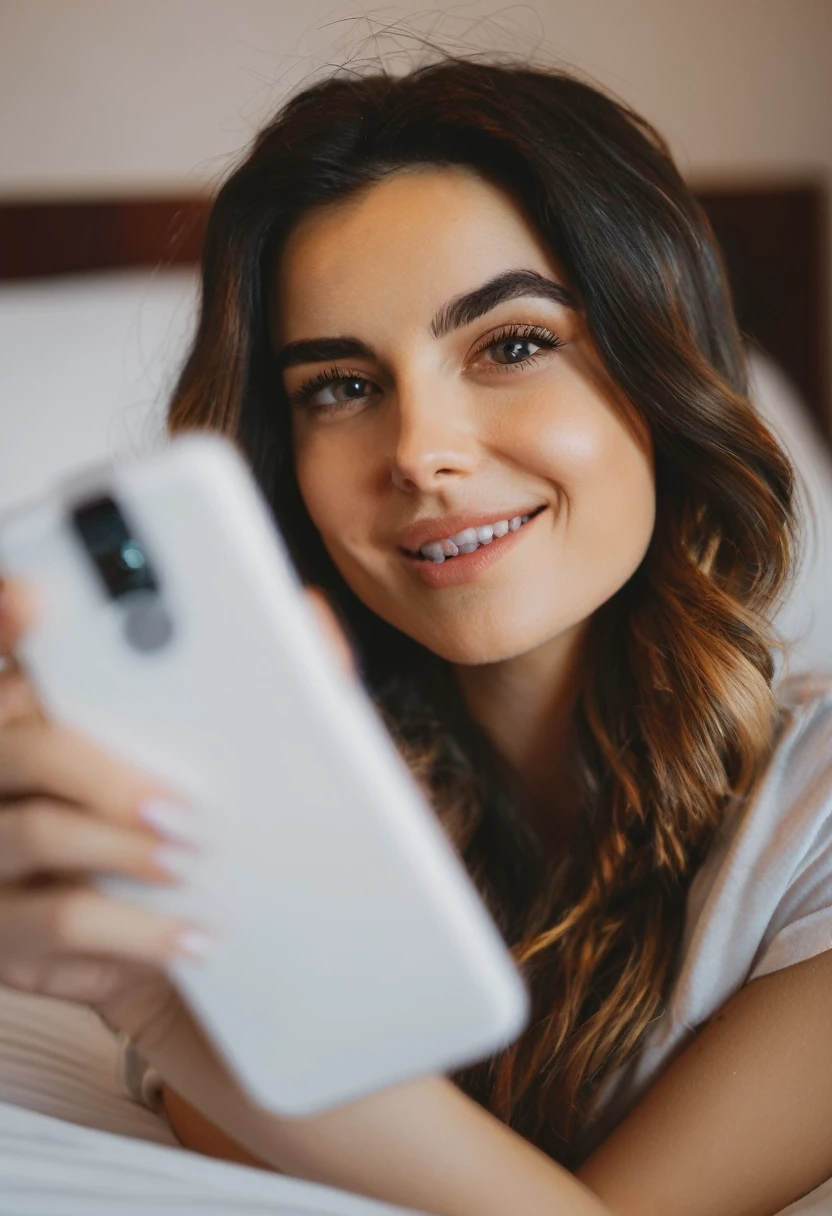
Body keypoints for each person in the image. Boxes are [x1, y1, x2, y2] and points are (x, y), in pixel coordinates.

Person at [1, 55, 832, 1216]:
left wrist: (181, 1020)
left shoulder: (818, 814)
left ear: (662, 370)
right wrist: (173, 998)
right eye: (339, 386)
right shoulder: (234, 822)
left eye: (511, 344)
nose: (419, 452)